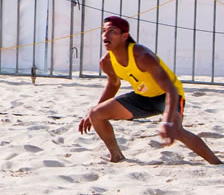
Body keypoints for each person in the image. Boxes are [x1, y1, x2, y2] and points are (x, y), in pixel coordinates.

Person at [78, 16, 220, 165]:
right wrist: (93, 110)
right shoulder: (106, 62)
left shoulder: (142, 56)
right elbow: (113, 85)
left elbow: (170, 89)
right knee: (96, 115)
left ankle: (216, 163)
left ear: (124, 36)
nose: (105, 35)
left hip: (168, 95)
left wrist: (167, 121)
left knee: (175, 129)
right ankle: (116, 156)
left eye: (112, 31)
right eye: (104, 31)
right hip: (143, 98)